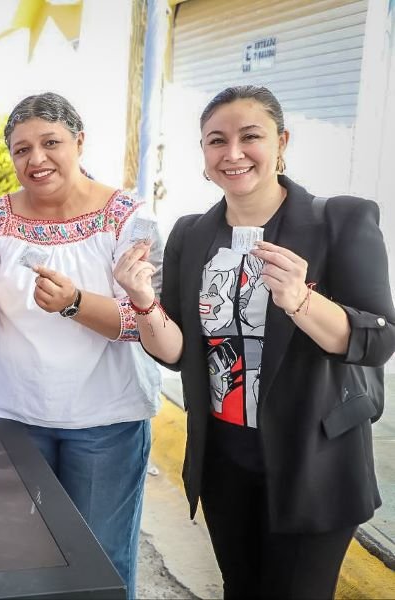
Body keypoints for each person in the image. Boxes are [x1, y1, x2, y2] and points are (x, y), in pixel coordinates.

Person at [113, 85, 395, 598]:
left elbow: (377, 341)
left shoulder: (341, 220)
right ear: (204, 155)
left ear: (281, 141)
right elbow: (176, 352)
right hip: (226, 461)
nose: (233, 153)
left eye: (251, 136)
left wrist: (299, 300)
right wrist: (142, 302)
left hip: (315, 464)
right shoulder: (192, 234)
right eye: (216, 141)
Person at [0, 92, 163, 597]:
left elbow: (141, 321)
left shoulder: (126, 218)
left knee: (100, 562)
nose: (36, 159)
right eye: (21, 149)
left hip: (105, 423)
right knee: (21, 558)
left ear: (80, 141)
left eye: (51, 143)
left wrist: (74, 303)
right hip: (16, 417)